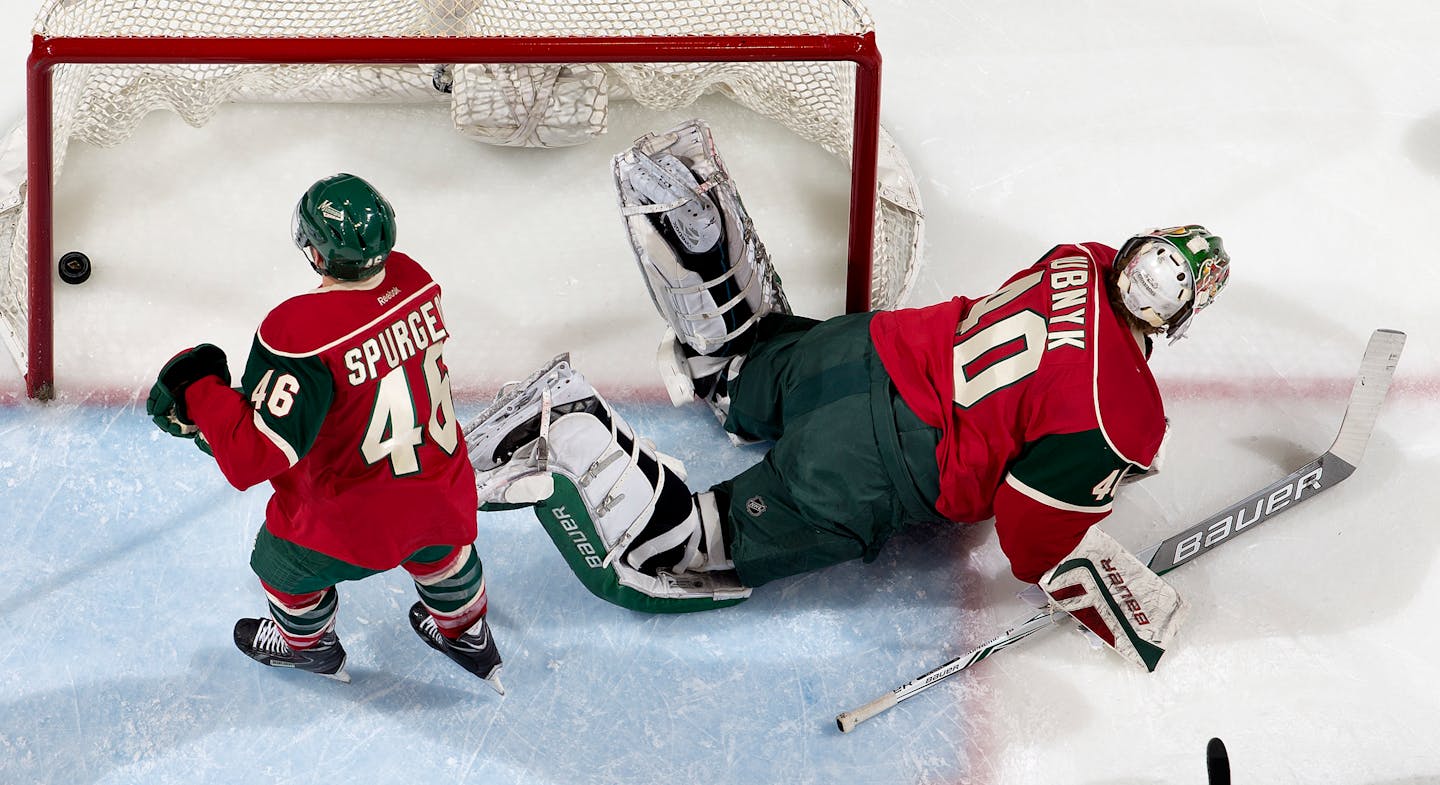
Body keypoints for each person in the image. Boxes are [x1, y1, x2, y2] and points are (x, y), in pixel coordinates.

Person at [466, 120, 1231, 671]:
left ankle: (688, 210)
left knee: (738, 371)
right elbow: (1033, 537)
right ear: (1183, 316)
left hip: (856, 351)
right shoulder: (1124, 416)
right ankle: (563, 426)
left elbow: (1052, 354)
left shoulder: (1078, 257)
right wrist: (1124, 601)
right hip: (871, 464)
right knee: (682, 552)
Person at [145, 173, 503, 691]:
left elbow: (252, 458)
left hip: (353, 522)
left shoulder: (297, 331)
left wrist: (200, 394)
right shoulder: (416, 278)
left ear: (314, 251)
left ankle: (307, 648)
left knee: (280, 566)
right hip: (443, 490)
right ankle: (465, 633)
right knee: (444, 550)